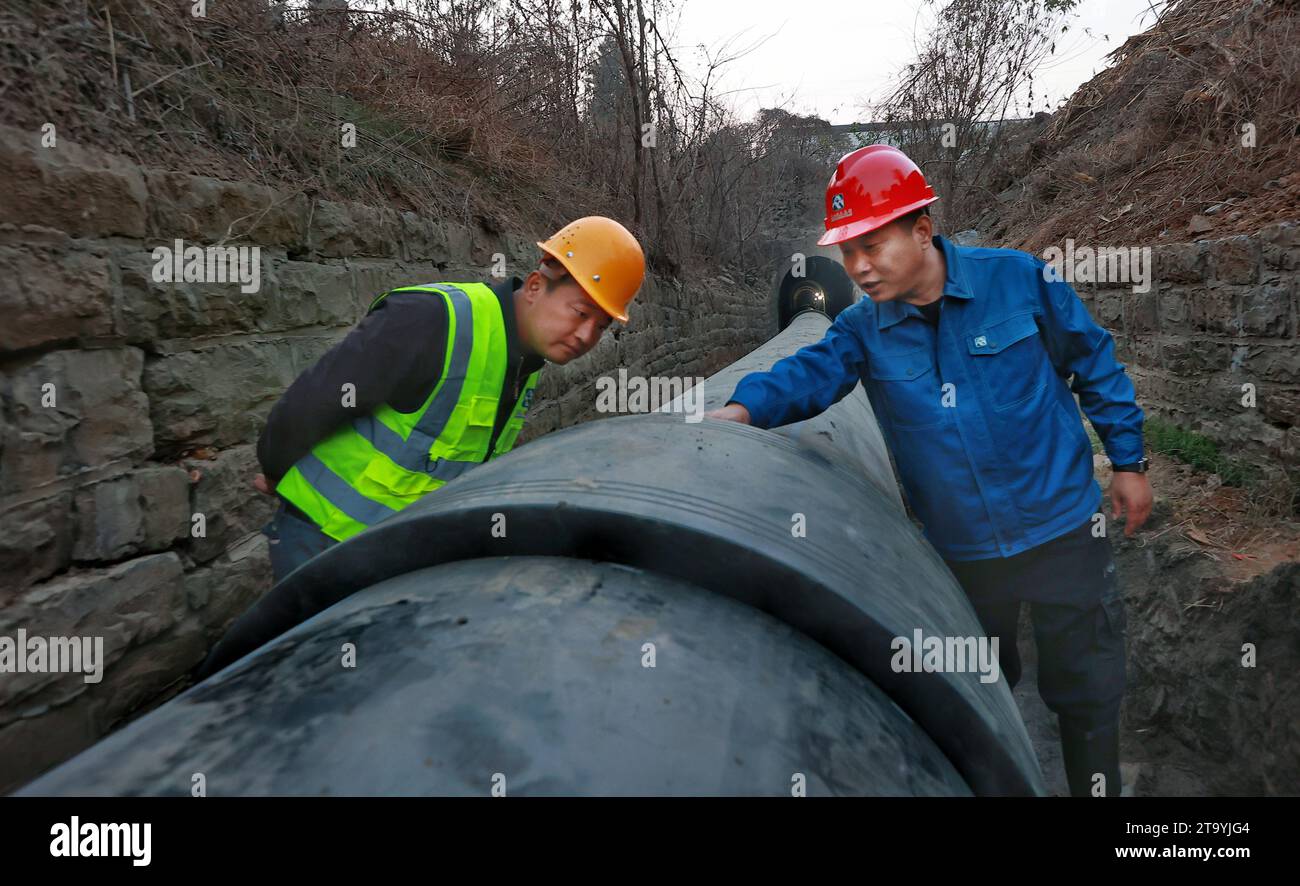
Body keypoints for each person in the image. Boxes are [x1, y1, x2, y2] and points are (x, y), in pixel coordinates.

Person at [706, 145, 1152, 797]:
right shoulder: (862, 329)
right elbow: (810, 373)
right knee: (983, 688)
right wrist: (743, 410)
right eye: (847, 252)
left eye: (872, 245)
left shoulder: (1019, 280)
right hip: (964, 555)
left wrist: (1130, 462)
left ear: (922, 229)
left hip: (1061, 528)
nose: (857, 267)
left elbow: (1095, 363)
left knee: (1085, 691)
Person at [253, 216, 645, 583]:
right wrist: (274, 468)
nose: (586, 335)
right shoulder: (434, 320)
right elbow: (315, 399)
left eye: (601, 325)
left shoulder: (523, 359)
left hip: (391, 557)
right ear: (537, 286)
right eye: (581, 313)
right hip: (321, 540)